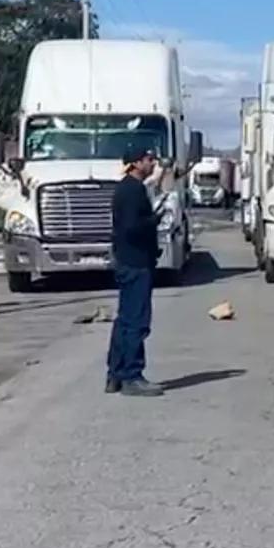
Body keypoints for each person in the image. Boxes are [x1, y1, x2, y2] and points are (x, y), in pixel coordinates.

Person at [108, 149, 164, 395]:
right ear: (136, 163)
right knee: (136, 322)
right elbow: (132, 228)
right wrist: (154, 220)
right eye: (149, 160)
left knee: (124, 320)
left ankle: (115, 373)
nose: (153, 164)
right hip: (135, 263)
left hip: (130, 260)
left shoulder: (128, 188)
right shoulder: (132, 190)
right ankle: (132, 375)